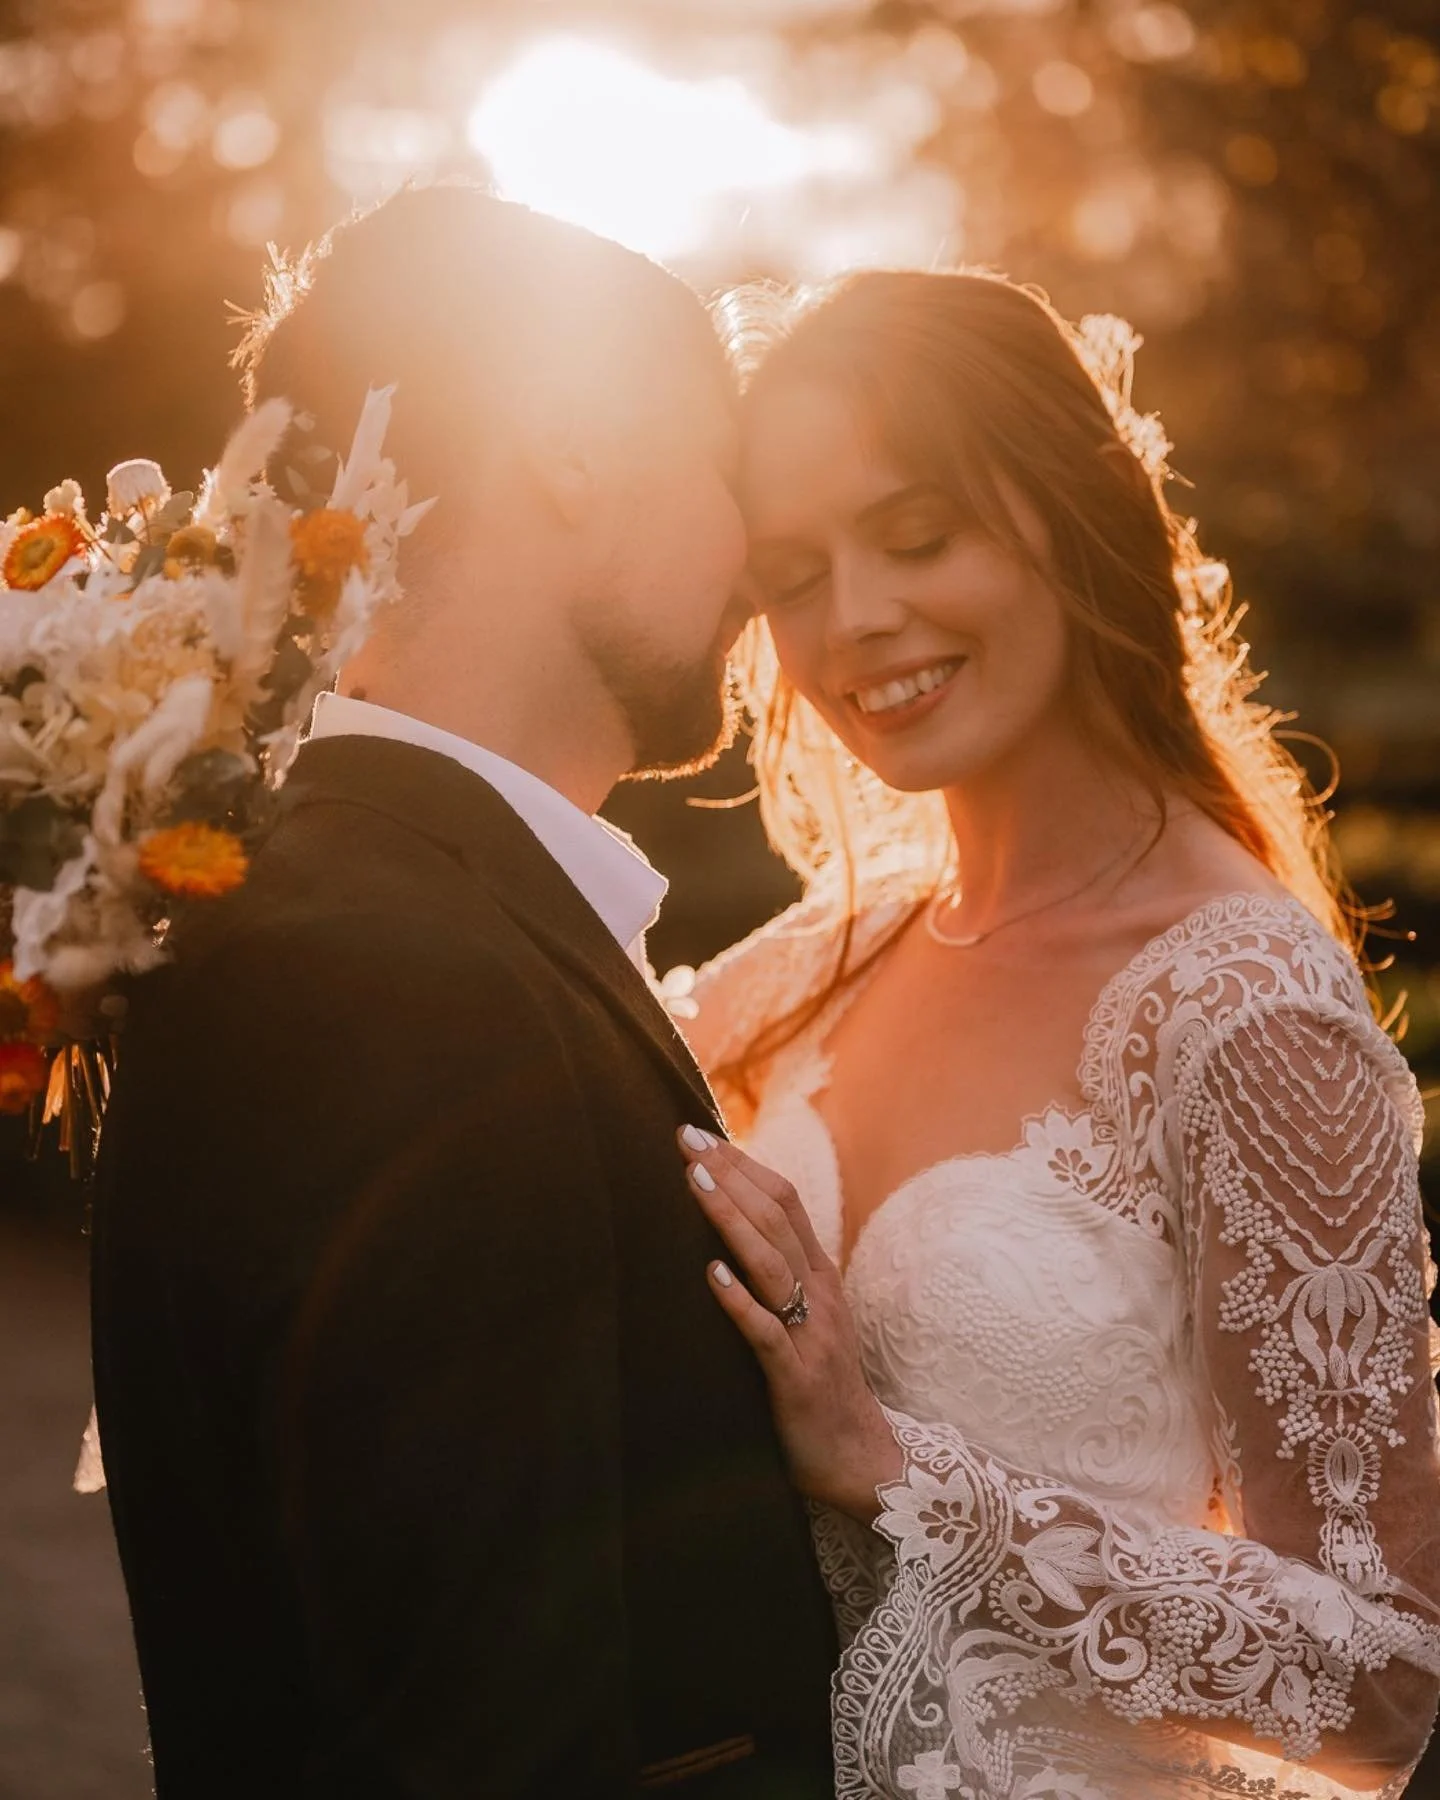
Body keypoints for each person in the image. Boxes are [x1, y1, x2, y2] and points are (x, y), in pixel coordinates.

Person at [88, 185, 837, 1799]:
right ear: (569, 446)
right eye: (722, 469)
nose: (761, 568)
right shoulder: (387, 979)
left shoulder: (387, 908)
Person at [676, 269, 1440, 1798]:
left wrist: (897, 1475)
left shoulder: (1247, 1013)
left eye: (916, 535)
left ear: (1074, 510)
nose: (856, 620)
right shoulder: (841, 946)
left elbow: (1390, 1674)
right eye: (794, 572)